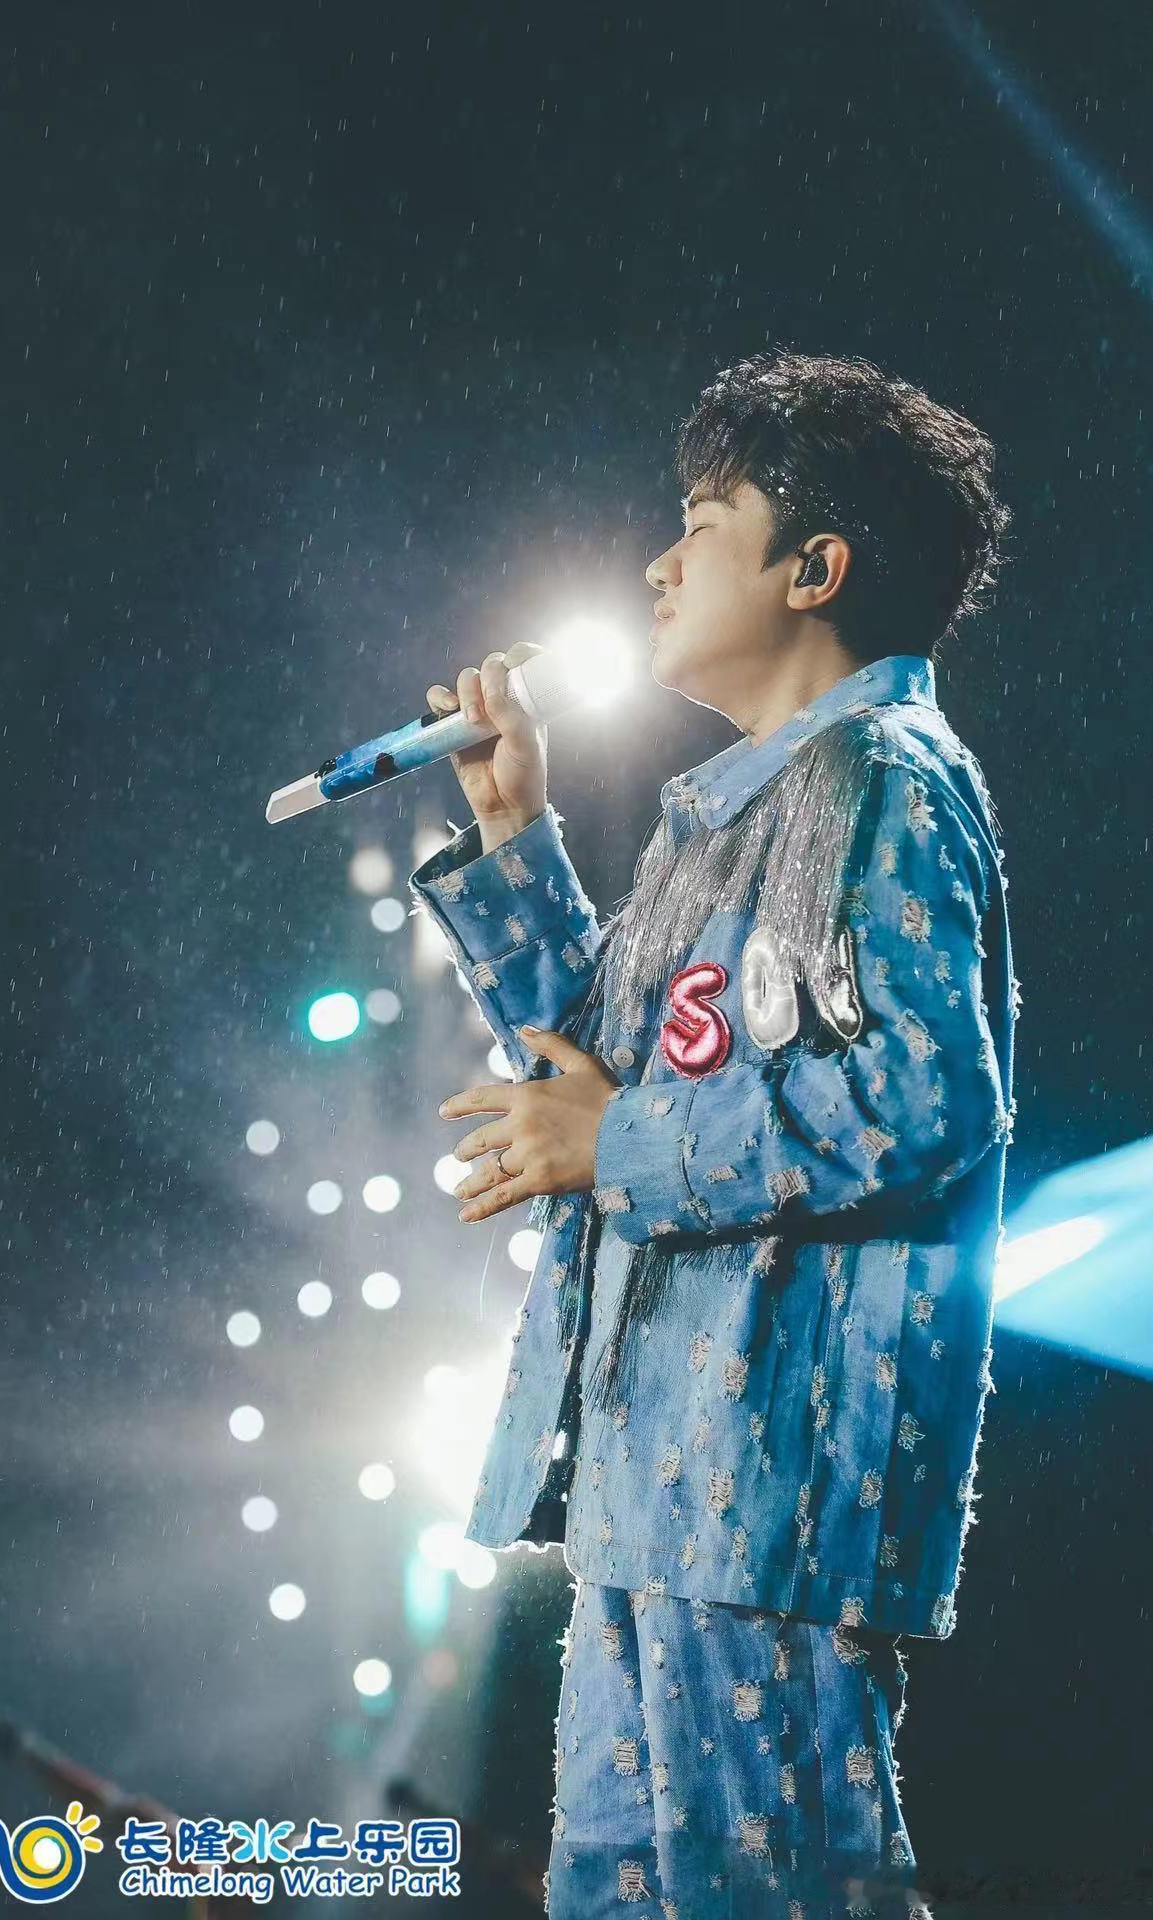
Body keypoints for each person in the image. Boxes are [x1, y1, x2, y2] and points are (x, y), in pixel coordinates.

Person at [409, 349, 1017, 1918]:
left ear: (817, 570)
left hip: (773, 1497)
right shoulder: (729, 815)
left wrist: (619, 1145)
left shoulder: (882, 781)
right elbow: (595, 1066)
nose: (658, 565)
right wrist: (510, 825)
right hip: (655, 1490)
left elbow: (924, 1098)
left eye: (701, 524)